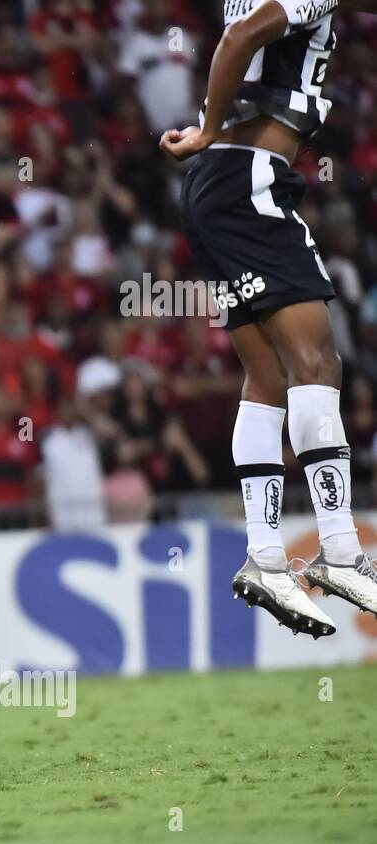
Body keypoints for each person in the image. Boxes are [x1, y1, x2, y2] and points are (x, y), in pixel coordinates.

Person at [161, 0, 377, 637]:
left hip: (218, 187)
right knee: (317, 362)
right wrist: (206, 125)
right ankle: (339, 549)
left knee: (267, 377)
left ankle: (265, 556)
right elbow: (242, 35)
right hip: (246, 180)